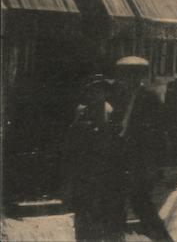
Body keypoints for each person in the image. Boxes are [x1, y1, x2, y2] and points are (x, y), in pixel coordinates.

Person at [111, 56, 174, 242]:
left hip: (141, 161)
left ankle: (163, 239)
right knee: (116, 206)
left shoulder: (149, 98)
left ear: (141, 76)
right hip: (118, 159)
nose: (128, 80)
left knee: (142, 204)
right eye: (125, 75)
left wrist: (155, 164)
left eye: (133, 75)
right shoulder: (116, 98)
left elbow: (159, 133)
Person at [62, 76, 125, 242]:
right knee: (84, 211)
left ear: (105, 93)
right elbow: (72, 138)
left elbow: (115, 138)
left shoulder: (109, 110)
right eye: (92, 90)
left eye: (100, 90)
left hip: (104, 167)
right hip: (85, 167)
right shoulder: (82, 111)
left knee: (104, 211)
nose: (96, 93)